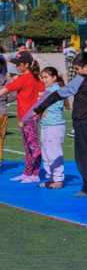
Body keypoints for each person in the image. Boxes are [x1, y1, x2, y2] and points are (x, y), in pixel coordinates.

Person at [34, 52, 87, 196]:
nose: (77, 71)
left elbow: (59, 94)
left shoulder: (80, 79)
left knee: (82, 156)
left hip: (82, 121)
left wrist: (39, 108)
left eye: (78, 68)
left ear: (86, 67)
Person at [1, 53, 44, 184]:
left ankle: (35, 173)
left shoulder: (25, 78)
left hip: (28, 117)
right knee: (27, 146)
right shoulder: (35, 78)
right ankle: (28, 173)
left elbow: (5, 90)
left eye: (19, 64)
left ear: (26, 65)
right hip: (26, 117)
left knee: (33, 147)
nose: (17, 66)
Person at [35, 67, 67, 190]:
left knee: (54, 152)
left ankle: (58, 179)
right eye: (42, 77)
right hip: (45, 125)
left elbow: (47, 107)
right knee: (46, 153)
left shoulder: (56, 90)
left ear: (54, 77)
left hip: (54, 125)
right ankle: (51, 177)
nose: (44, 80)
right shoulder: (47, 90)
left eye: (46, 77)